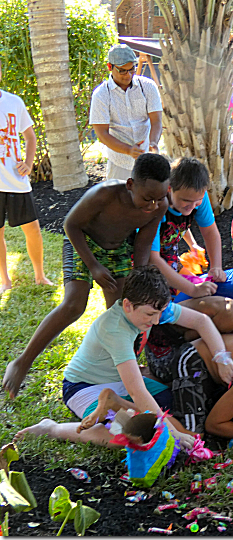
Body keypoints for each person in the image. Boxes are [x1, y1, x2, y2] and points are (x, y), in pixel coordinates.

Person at [3, 153, 170, 399]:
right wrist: (93, 267)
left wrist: (138, 276)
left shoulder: (159, 205)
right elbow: (71, 225)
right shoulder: (105, 194)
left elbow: (143, 243)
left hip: (118, 249)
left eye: (159, 199)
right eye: (147, 198)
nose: (153, 206)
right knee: (74, 305)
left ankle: (121, 369)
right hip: (82, 244)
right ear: (131, 185)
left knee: (125, 311)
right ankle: (22, 362)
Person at [14, 266, 195, 449]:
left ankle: (114, 402)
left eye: (160, 313)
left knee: (166, 402)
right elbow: (136, 391)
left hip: (117, 382)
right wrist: (174, 434)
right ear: (127, 305)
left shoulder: (144, 307)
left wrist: (222, 358)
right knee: (119, 437)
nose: (156, 321)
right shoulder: (115, 329)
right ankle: (51, 428)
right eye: (150, 314)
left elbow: (202, 320)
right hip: (83, 386)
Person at [0, 59, 53, 294]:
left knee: (33, 229)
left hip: (16, 179)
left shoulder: (14, 102)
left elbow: (30, 137)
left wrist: (29, 163)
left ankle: (40, 276)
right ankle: (5, 281)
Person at [149, 157, 225, 298]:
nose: (192, 207)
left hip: (167, 251)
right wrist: (193, 290)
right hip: (139, 254)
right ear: (169, 188)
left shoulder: (196, 196)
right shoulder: (156, 206)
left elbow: (210, 231)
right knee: (157, 297)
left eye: (198, 201)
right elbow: (152, 258)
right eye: (186, 201)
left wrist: (216, 267)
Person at [90, 44, 163, 181]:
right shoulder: (101, 95)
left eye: (132, 69)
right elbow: (102, 134)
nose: (128, 75)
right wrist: (128, 150)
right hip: (119, 162)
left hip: (148, 160)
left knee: (150, 200)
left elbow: (156, 121)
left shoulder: (147, 86)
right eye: (122, 71)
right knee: (120, 201)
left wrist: (153, 143)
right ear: (110, 67)